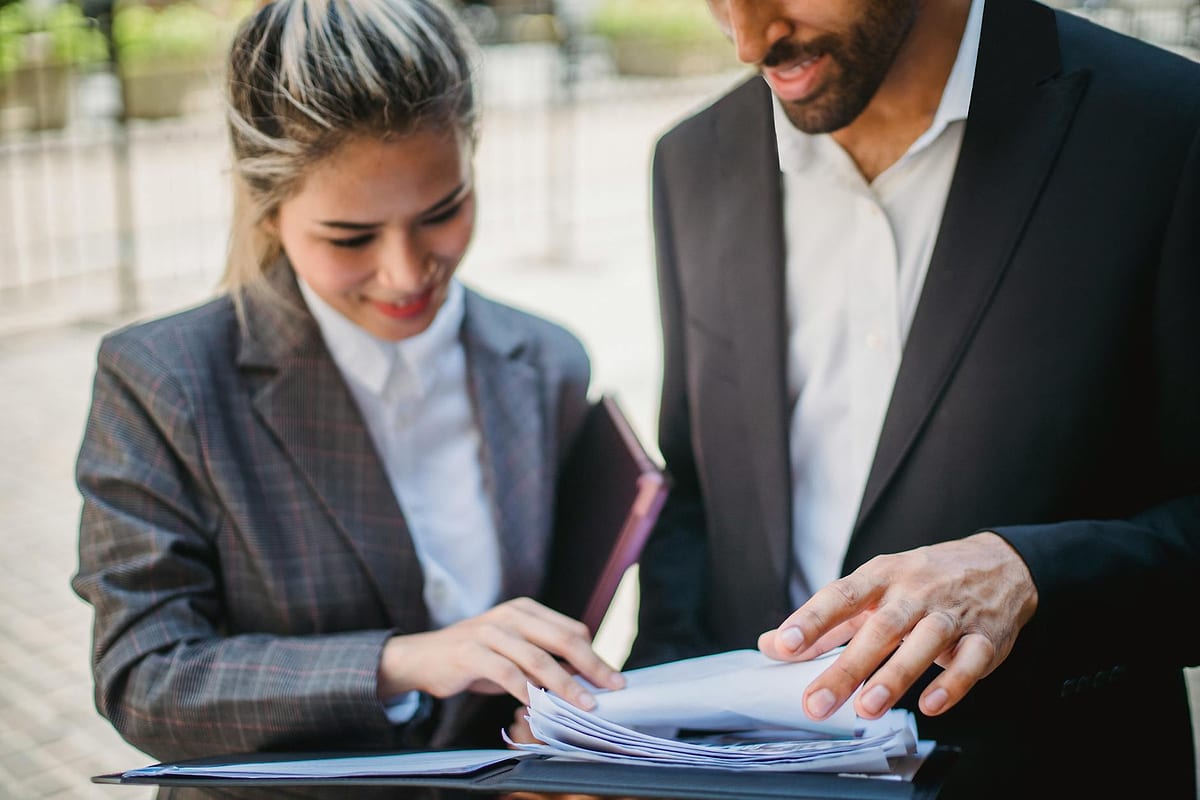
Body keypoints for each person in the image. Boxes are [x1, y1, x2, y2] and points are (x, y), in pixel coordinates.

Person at [628, 0, 1200, 797]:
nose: (749, 41)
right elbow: (696, 491)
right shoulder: (690, 158)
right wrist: (635, 739)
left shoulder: (1170, 131)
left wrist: (1035, 574)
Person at [70, 0, 625, 776]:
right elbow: (145, 680)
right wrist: (402, 662)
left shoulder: (549, 361)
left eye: (443, 212)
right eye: (351, 237)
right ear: (268, 210)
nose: (405, 272)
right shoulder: (164, 383)